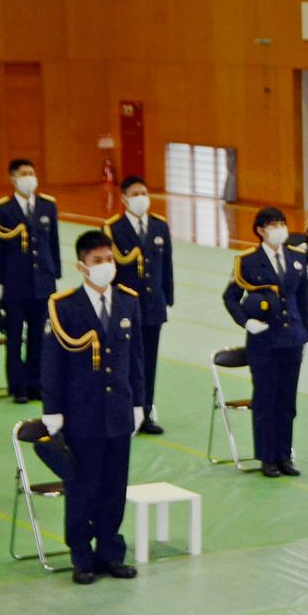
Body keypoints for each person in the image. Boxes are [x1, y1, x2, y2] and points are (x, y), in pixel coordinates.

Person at [41, 230, 144, 585]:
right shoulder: (64, 306)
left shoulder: (129, 302)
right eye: (98, 261)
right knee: (84, 486)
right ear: (81, 266)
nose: (106, 266)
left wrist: (140, 402)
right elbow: (52, 362)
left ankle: (111, 553)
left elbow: (137, 359)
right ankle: (82, 557)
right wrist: (52, 409)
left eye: (109, 259)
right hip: (81, 413)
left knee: (115, 486)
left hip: (118, 411)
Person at [223, 207, 308, 478]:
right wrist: (245, 322)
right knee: (266, 400)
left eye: (282, 223)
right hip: (264, 341)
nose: (280, 229)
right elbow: (230, 296)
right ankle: (267, 457)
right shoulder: (248, 261)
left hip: (292, 339)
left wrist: (306, 336)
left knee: (287, 401)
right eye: (273, 225)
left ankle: (284, 455)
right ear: (261, 230)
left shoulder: (296, 258)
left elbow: (303, 301)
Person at [103, 176, 173, 434]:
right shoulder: (113, 229)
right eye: (135, 193)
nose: (141, 197)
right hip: (125, 309)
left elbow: (167, 266)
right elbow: (109, 270)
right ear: (124, 199)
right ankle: (124, 412)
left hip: (153, 306)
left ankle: (145, 413)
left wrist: (169, 298)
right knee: (126, 362)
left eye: (144, 192)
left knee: (149, 364)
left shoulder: (159, 226)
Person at [0, 159, 61, 404]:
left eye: (31, 173)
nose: (29, 178)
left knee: (39, 338)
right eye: (23, 174)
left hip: (42, 283)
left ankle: (35, 383)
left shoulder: (47, 206)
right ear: (13, 179)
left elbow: (52, 242)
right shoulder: (3, 209)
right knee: (14, 338)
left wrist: (54, 273)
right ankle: (18, 385)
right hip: (15, 285)